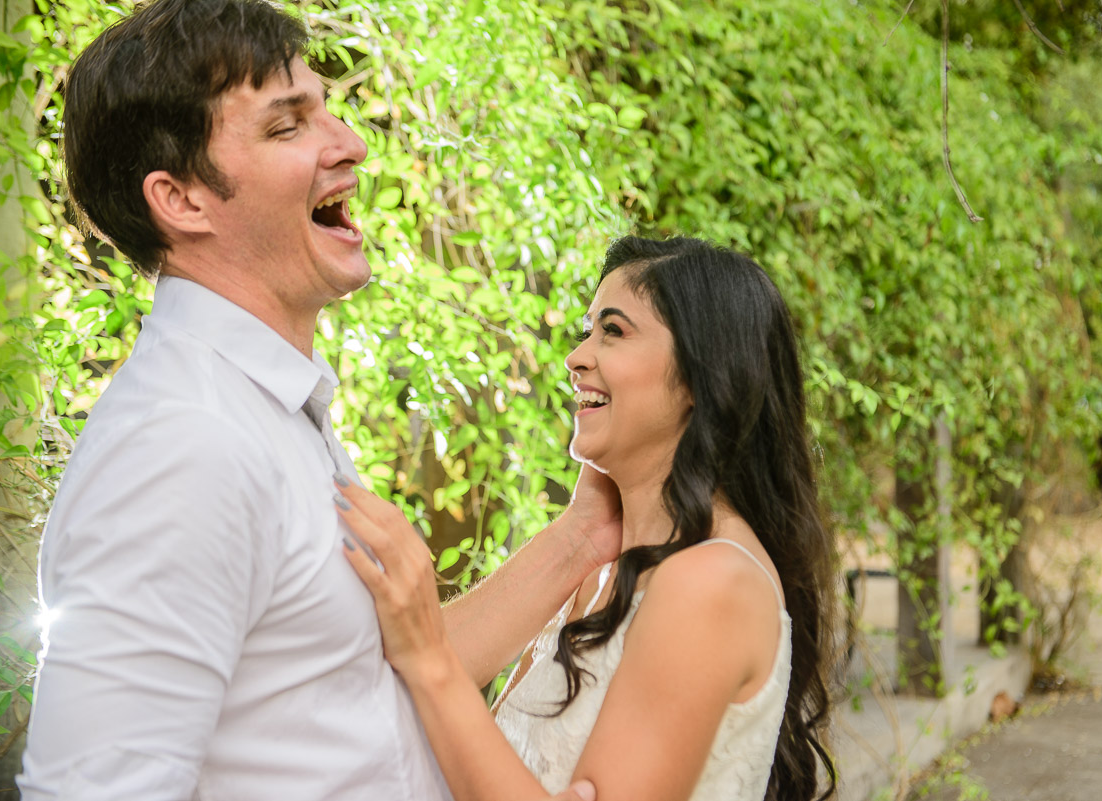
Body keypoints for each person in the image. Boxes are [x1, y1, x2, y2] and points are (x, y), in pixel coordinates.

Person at [19, 1, 618, 799]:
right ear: (182, 200)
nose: (351, 143)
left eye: (327, 109)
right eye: (287, 126)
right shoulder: (180, 448)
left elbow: (375, 686)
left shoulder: (265, 408)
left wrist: (586, 533)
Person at [337, 236, 838, 801]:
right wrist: (577, 538)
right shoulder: (601, 569)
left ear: (704, 376)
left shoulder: (710, 582)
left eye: (614, 331)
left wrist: (429, 659)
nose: (577, 357)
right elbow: (391, 683)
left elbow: (428, 671)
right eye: (587, 329)